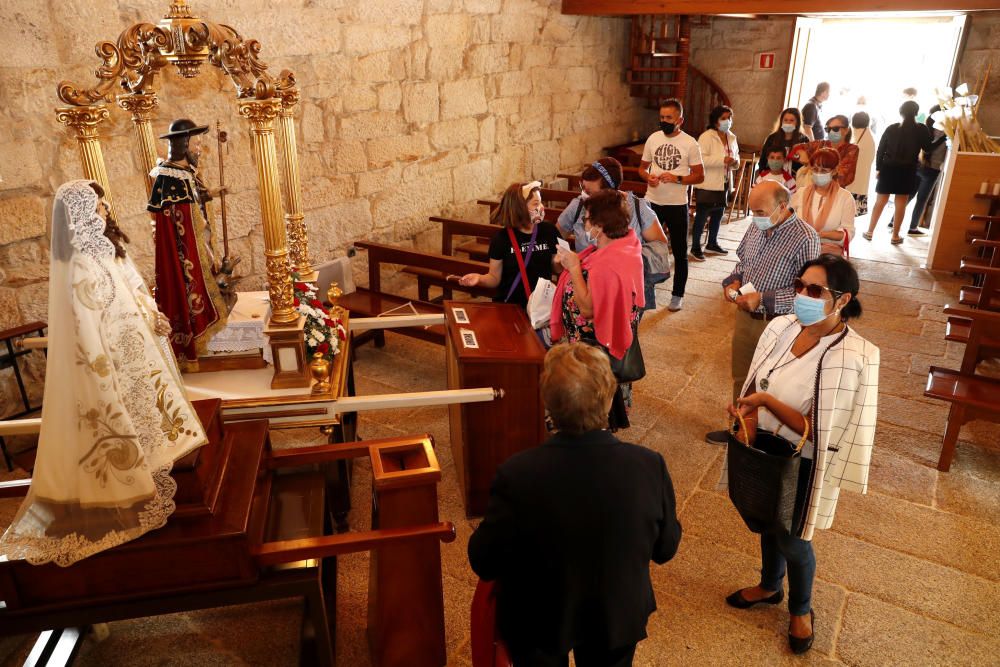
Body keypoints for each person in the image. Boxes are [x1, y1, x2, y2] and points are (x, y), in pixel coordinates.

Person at [0, 180, 207, 567]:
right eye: (96, 207)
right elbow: (85, 319)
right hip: (109, 352)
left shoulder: (108, 250)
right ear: (79, 217)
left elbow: (132, 287)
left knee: (150, 405)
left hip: (136, 343)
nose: (104, 212)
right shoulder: (76, 265)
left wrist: (151, 313)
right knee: (122, 412)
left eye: (103, 205)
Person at [468, 342, 682, 667]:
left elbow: (484, 560)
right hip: (615, 614)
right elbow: (665, 549)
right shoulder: (649, 466)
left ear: (548, 403)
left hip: (538, 618)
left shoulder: (518, 473)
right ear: (609, 399)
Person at [719, 254, 879, 655]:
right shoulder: (781, 326)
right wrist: (746, 406)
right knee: (765, 517)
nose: (802, 296)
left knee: (794, 538)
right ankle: (770, 585)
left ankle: (801, 609)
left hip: (803, 457)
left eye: (815, 291)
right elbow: (759, 376)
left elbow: (818, 426)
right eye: (799, 286)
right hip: (764, 446)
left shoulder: (853, 355)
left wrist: (767, 401)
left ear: (842, 300)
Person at [705, 181, 820, 446]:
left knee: (770, 382)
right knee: (742, 377)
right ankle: (739, 429)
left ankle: (765, 437)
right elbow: (743, 263)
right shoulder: (756, 227)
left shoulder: (805, 237)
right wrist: (732, 281)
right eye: (752, 211)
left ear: (782, 207)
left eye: (760, 212)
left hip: (779, 322)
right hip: (746, 318)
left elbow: (809, 293)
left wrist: (764, 299)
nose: (755, 217)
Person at [551, 190, 645, 430]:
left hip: (595, 346)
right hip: (599, 341)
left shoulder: (607, 262)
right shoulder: (625, 247)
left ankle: (594, 430)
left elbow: (588, 308)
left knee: (592, 402)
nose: (584, 224)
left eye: (587, 219)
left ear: (600, 225)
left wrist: (573, 268)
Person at [147, 118, 229, 369]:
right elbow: (176, 215)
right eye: (195, 143)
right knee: (190, 284)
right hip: (184, 250)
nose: (198, 149)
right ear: (183, 143)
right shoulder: (168, 175)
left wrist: (210, 194)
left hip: (195, 243)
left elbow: (192, 199)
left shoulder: (184, 173)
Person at [556, 158, 669, 309]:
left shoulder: (637, 208)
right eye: (583, 189)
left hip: (624, 286)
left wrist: (623, 258)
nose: (585, 196)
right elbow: (557, 235)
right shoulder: (579, 205)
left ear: (608, 193)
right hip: (585, 283)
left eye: (590, 192)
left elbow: (659, 244)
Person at [639, 98, 705, 312]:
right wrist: (648, 177)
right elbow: (642, 168)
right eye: (662, 117)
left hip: (676, 204)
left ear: (680, 120)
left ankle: (677, 295)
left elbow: (699, 176)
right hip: (652, 201)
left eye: (669, 118)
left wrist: (677, 179)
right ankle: (642, 290)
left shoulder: (690, 143)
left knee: (679, 251)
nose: (664, 121)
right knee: (644, 248)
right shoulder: (653, 139)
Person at [458, 181, 559, 308]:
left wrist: (559, 261)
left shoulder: (549, 230)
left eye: (541, 202)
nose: (542, 207)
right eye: (536, 204)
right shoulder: (501, 239)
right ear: (520, 207)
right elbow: (494, 278)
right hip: (512, 306)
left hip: (542, 306)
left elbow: (557, 269)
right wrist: (479, 278)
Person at [863, 101, 931, 245]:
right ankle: (895, 236)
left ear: (901, 112)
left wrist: (878, 168)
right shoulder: (921, 129)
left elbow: (881, 150)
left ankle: (869, 232)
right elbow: (928, 148)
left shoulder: (891, 128)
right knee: (901, 204)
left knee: (880, 201)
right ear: (916, 113)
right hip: (908, 170)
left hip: (888, 168)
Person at [691, 104, 739, 261]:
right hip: (708, 182)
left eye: (729, 118)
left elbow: (736, 156)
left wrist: (734, 162)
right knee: (702, 215)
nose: (727, 121)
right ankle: (695, 247)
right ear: (715, 121)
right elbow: (701, 159)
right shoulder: (706, 136)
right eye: (723, 118)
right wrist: (722, 160)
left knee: (718, 214)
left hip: (724, 181)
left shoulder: (731, 137)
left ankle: (712, 243)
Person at [790, 148, 855, 257]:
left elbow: (848, 234)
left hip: (829, 255)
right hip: (799, 250)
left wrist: (822, 235)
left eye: (824, 171)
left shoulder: (845, 198)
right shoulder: (801, 193)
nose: (819, 173)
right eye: (815, 169)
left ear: (834, 171)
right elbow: (788, 221)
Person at [907, 106, 948, 236]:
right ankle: (913, 228)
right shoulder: (947, 132)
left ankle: (893, 221)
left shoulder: (926, 128)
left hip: (919, 165)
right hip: (932, 169)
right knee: (921, 199)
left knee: (909, 195)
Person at [787, 114, 859, 188]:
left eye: (835, 129)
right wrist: (800, 156)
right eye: (828, 129)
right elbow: (794, 151)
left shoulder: (851, 149)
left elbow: (843, 176)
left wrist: (814, 166)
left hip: (834, 191)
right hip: (813, 189)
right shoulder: (821, 144)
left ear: (846, 130)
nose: (831, 132)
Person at [758, 108, 810, 178]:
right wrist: (762, 172)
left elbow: (807, 162)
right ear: (781, 121)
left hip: (795, 177)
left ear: (797, 122)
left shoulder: (804, 139)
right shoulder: (772, 138)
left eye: (791, 120)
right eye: (785, 120)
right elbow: (763, 159)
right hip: (773, 175)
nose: (788, 123)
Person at [847, 111, 876, 217]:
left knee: (844, 212)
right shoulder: (869, 136)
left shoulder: (855, 134)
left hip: (850, 181)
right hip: (862, 181)